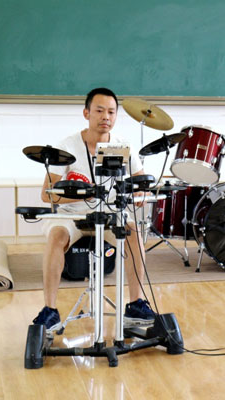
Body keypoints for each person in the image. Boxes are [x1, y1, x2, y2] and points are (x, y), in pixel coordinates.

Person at [32, 87, 156, 337]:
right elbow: (47, 194)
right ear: (86, 113)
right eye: (99, 111)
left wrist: (140, 195)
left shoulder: (123, 146)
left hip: (110, 213)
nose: (105, 117)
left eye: (111, 112)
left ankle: (135, 304)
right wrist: (84, 195)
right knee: (56, 236)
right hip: (72, 214)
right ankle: (50, 309)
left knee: (133, 233)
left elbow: (141, 184)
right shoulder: (67, 146)